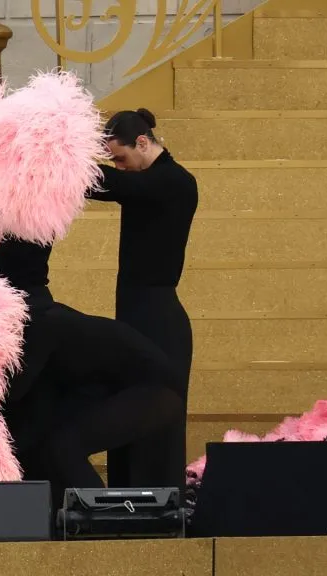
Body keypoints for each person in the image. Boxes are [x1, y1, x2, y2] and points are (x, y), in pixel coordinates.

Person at [0, 237, 185, 507]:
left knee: (62, 447)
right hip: (125, 387)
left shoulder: (42, 323)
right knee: (49, 443)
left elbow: (12, 390)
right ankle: (77, 524)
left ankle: (103, 528)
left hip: (155, 390)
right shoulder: (39, 318)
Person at [85, 108, 198, 495]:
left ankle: (156, 504)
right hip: (135, 315)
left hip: (159, 320)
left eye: (121, 157)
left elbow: (111, 185)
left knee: (156, 417)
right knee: (128, 411)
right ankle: (126, 500)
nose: (120, 166)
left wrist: (61, 162)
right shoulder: (150, 180)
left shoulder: (175, 181)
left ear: (144, 143)